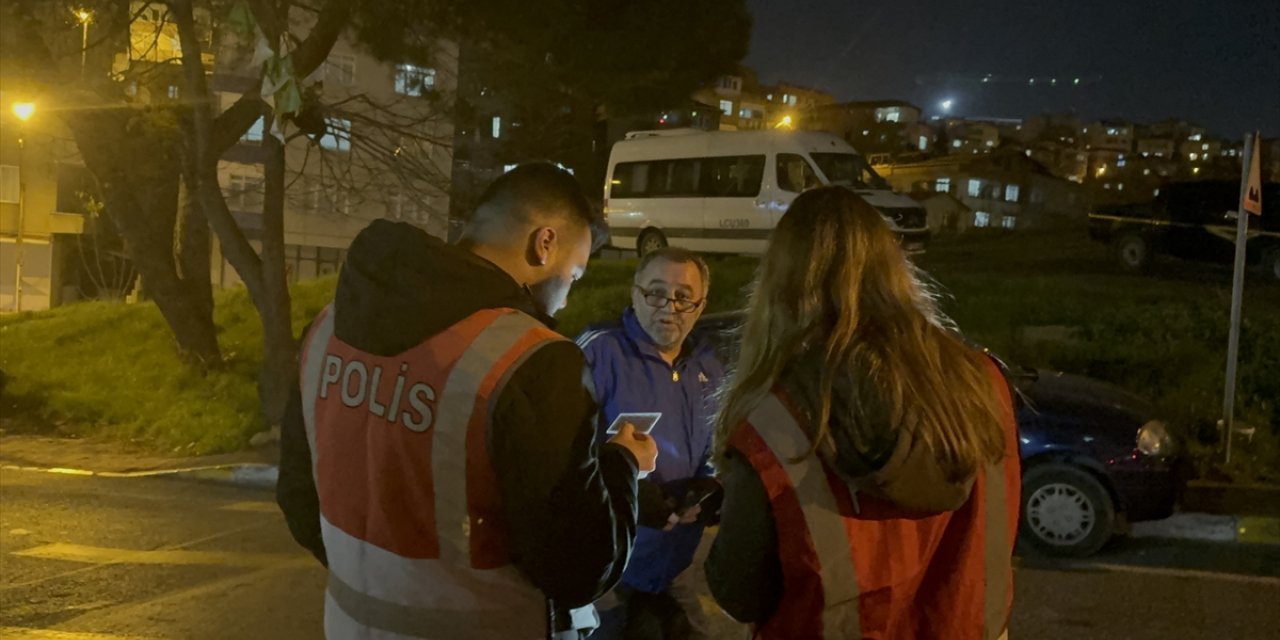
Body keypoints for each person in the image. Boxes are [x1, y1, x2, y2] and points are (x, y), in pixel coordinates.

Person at [277, 163, 659, 640]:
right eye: (575, 273)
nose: (564, 299)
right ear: (545, 244)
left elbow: (297, 495)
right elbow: (580, 567)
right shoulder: (531, 360)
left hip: (351, 626)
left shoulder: (327, 329)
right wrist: (623, 463)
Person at [704, 186, 1020, 640]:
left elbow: (740, 591)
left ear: (781, 283)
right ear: (893, 267)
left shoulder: (777, 420)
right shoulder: (983, 383)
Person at [576, 248, 724, 640]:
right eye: (656, 293)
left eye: (683, 296)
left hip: (677, 561)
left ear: (700, 304)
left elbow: (718, 447)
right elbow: (561, 455)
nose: (669, 307)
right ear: (635, 293)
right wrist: (634, 494)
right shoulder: (597, 352)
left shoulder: (709, 365)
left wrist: (708, 489)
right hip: (609, 570)